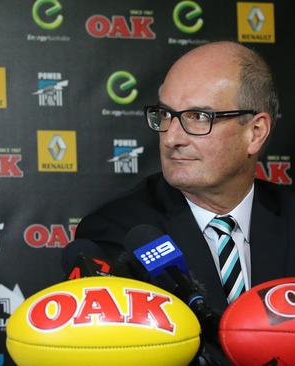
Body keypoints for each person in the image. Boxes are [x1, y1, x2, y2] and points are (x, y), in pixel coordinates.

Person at [65, 41, 295, 364]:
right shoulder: (115, 232)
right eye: (165, 115)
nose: (171, 137)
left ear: (255, 132)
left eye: (198, 117)